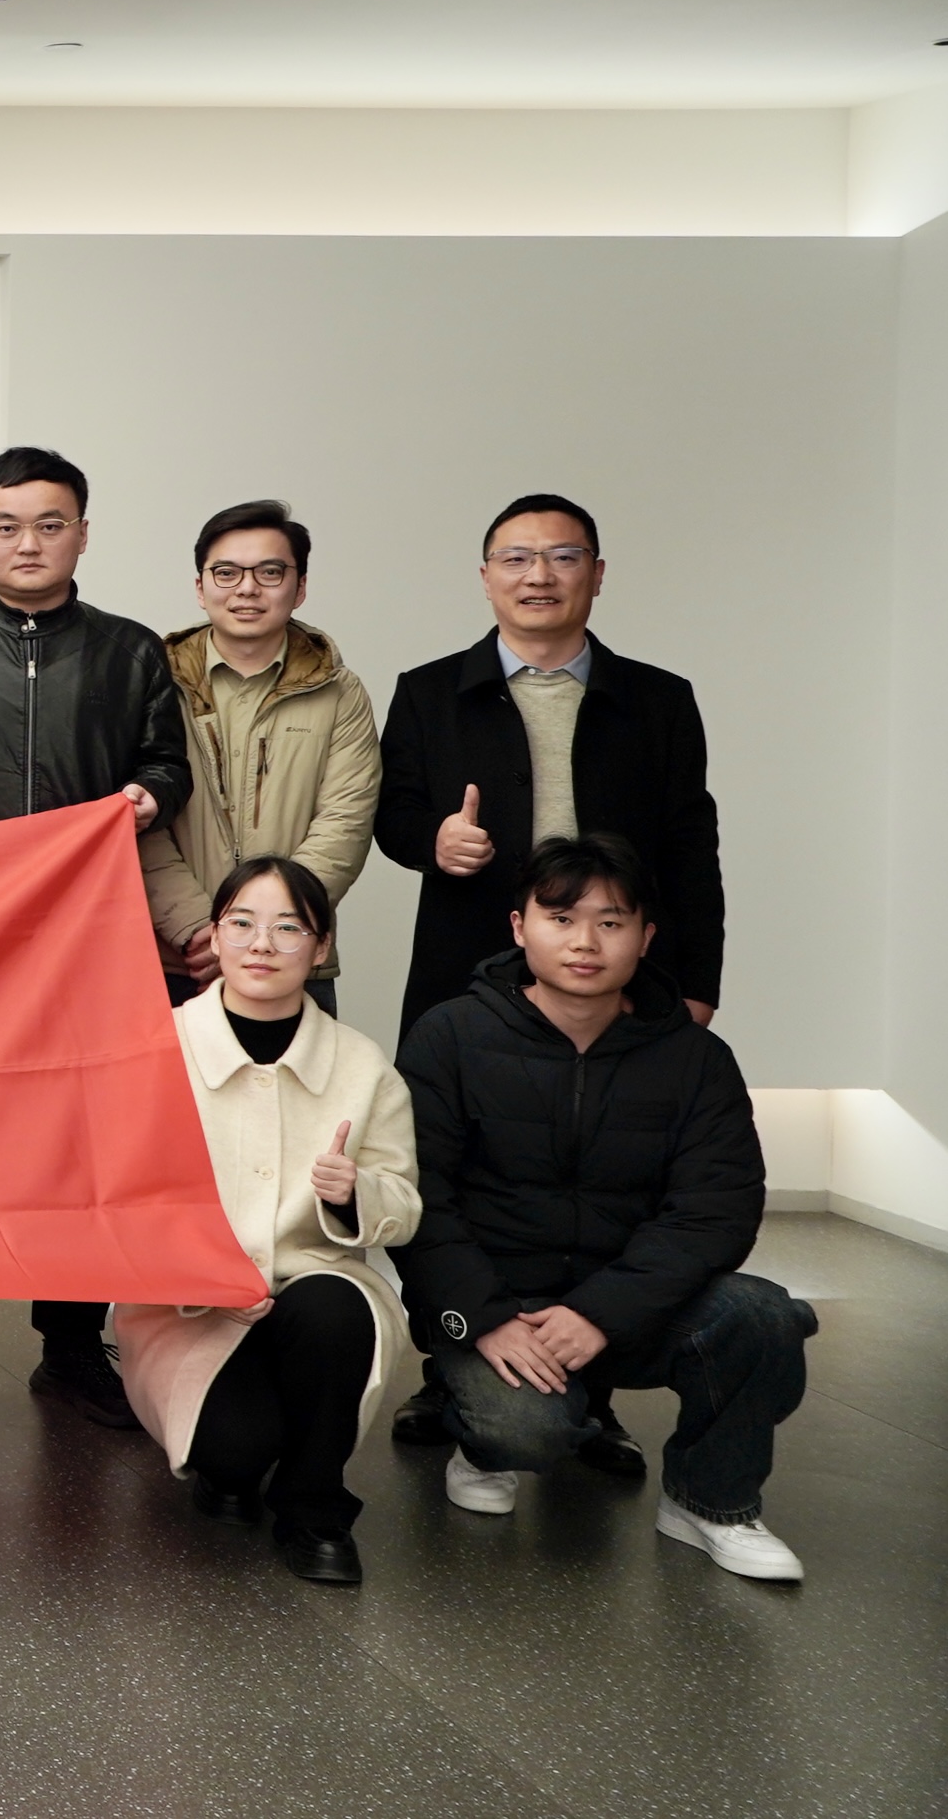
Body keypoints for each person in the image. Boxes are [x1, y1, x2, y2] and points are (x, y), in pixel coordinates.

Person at [375, 492, 724, 1456]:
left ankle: (590, 1386)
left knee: (605, 1174)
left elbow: (691, 847)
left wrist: (697, 978)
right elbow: (392, 813)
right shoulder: (427, 690)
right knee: (456, 1171)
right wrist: (432, 840)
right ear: (486, 576)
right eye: (516, 558)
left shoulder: (658, 699)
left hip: (616, 979)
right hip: (468, 974)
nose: (539, 575)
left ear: (597, 575)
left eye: (563, 557)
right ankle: (453, 1366)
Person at [398, 834, 807, 1581]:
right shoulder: (450, 1036)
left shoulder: (695, 1059)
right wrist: (484, 1316)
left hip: (631, 1307)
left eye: (611, 922)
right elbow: (419, 1195)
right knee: (524, 1432)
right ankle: (484, 1444)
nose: (585, 942)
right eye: (561, 919)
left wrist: (600, 1312)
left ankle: (711, 1503)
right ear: (519, 927)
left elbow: (716, 1210)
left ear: (646, 937)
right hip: (502, 1309)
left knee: (763, 1316)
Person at [0, 445, 190, 1433]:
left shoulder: (130, 650)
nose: (28, 544)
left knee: (80, 1147)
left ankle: (70, 1347)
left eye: (50, 524)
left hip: (89, 938)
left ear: (82, 533)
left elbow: (166, 760)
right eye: (7, 526)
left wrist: (148, 794)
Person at [109, 859, 420, 1587]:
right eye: (242, 924)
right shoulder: (155, 1045)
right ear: (214, 935)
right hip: (186, 1305)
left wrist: (353, 1194)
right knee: (235, 1452)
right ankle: (235, 1467)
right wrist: (199, 1272)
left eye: (289, 929)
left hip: (311, 1284)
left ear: (321, 946)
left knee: (338, 1310)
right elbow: (115, 1196)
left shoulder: (361, 1063)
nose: (262, 944)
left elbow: (404, 1204)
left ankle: (315, 1511)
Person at [142, 501, 379, 1015]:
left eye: (270, 572)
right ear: (201, 587)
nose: (247, 589)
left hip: (292, 962)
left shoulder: (339, 692)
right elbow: (140, 819)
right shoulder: (152, 682)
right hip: (177, 959)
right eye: (226, 573)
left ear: (300, 587)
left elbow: (346, 822)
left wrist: (266, 931)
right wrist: (199, 929)